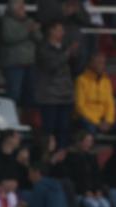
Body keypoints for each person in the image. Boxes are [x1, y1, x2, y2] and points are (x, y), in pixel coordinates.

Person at [35, 21, 74, 149]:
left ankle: (60, 159)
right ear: (51, 31)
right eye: (59, 30)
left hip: (65, 95)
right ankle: (47, 157)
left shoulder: (64, 47)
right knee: (49, 131)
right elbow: (51, 65)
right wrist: (67, 54)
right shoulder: (43, 47)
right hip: (49, 97)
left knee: (64, 130)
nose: (63, 33)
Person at [75, 52, 116, 137]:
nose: (102, 66)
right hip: (88, 120)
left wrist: (108, 121)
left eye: (103, 63)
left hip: (104, 121)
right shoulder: (81, 80)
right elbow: (79, 106)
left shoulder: (106, 81)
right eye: (99, 63)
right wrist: (97, 122)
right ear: (91, 64)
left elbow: (110, 104)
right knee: (89, 129)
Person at [0, 0, 39, 107]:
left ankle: (26, 119)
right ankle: (11, 118)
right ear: (14, 9)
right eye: (21, 7)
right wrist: (27, 30)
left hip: (29, 63)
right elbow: (9, 38)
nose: (24, 9)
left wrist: (35, 30)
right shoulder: (6, 21)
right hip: (14, 64)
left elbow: (39, 38)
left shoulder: (29, 21)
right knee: (13, 93)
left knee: (30, 93)